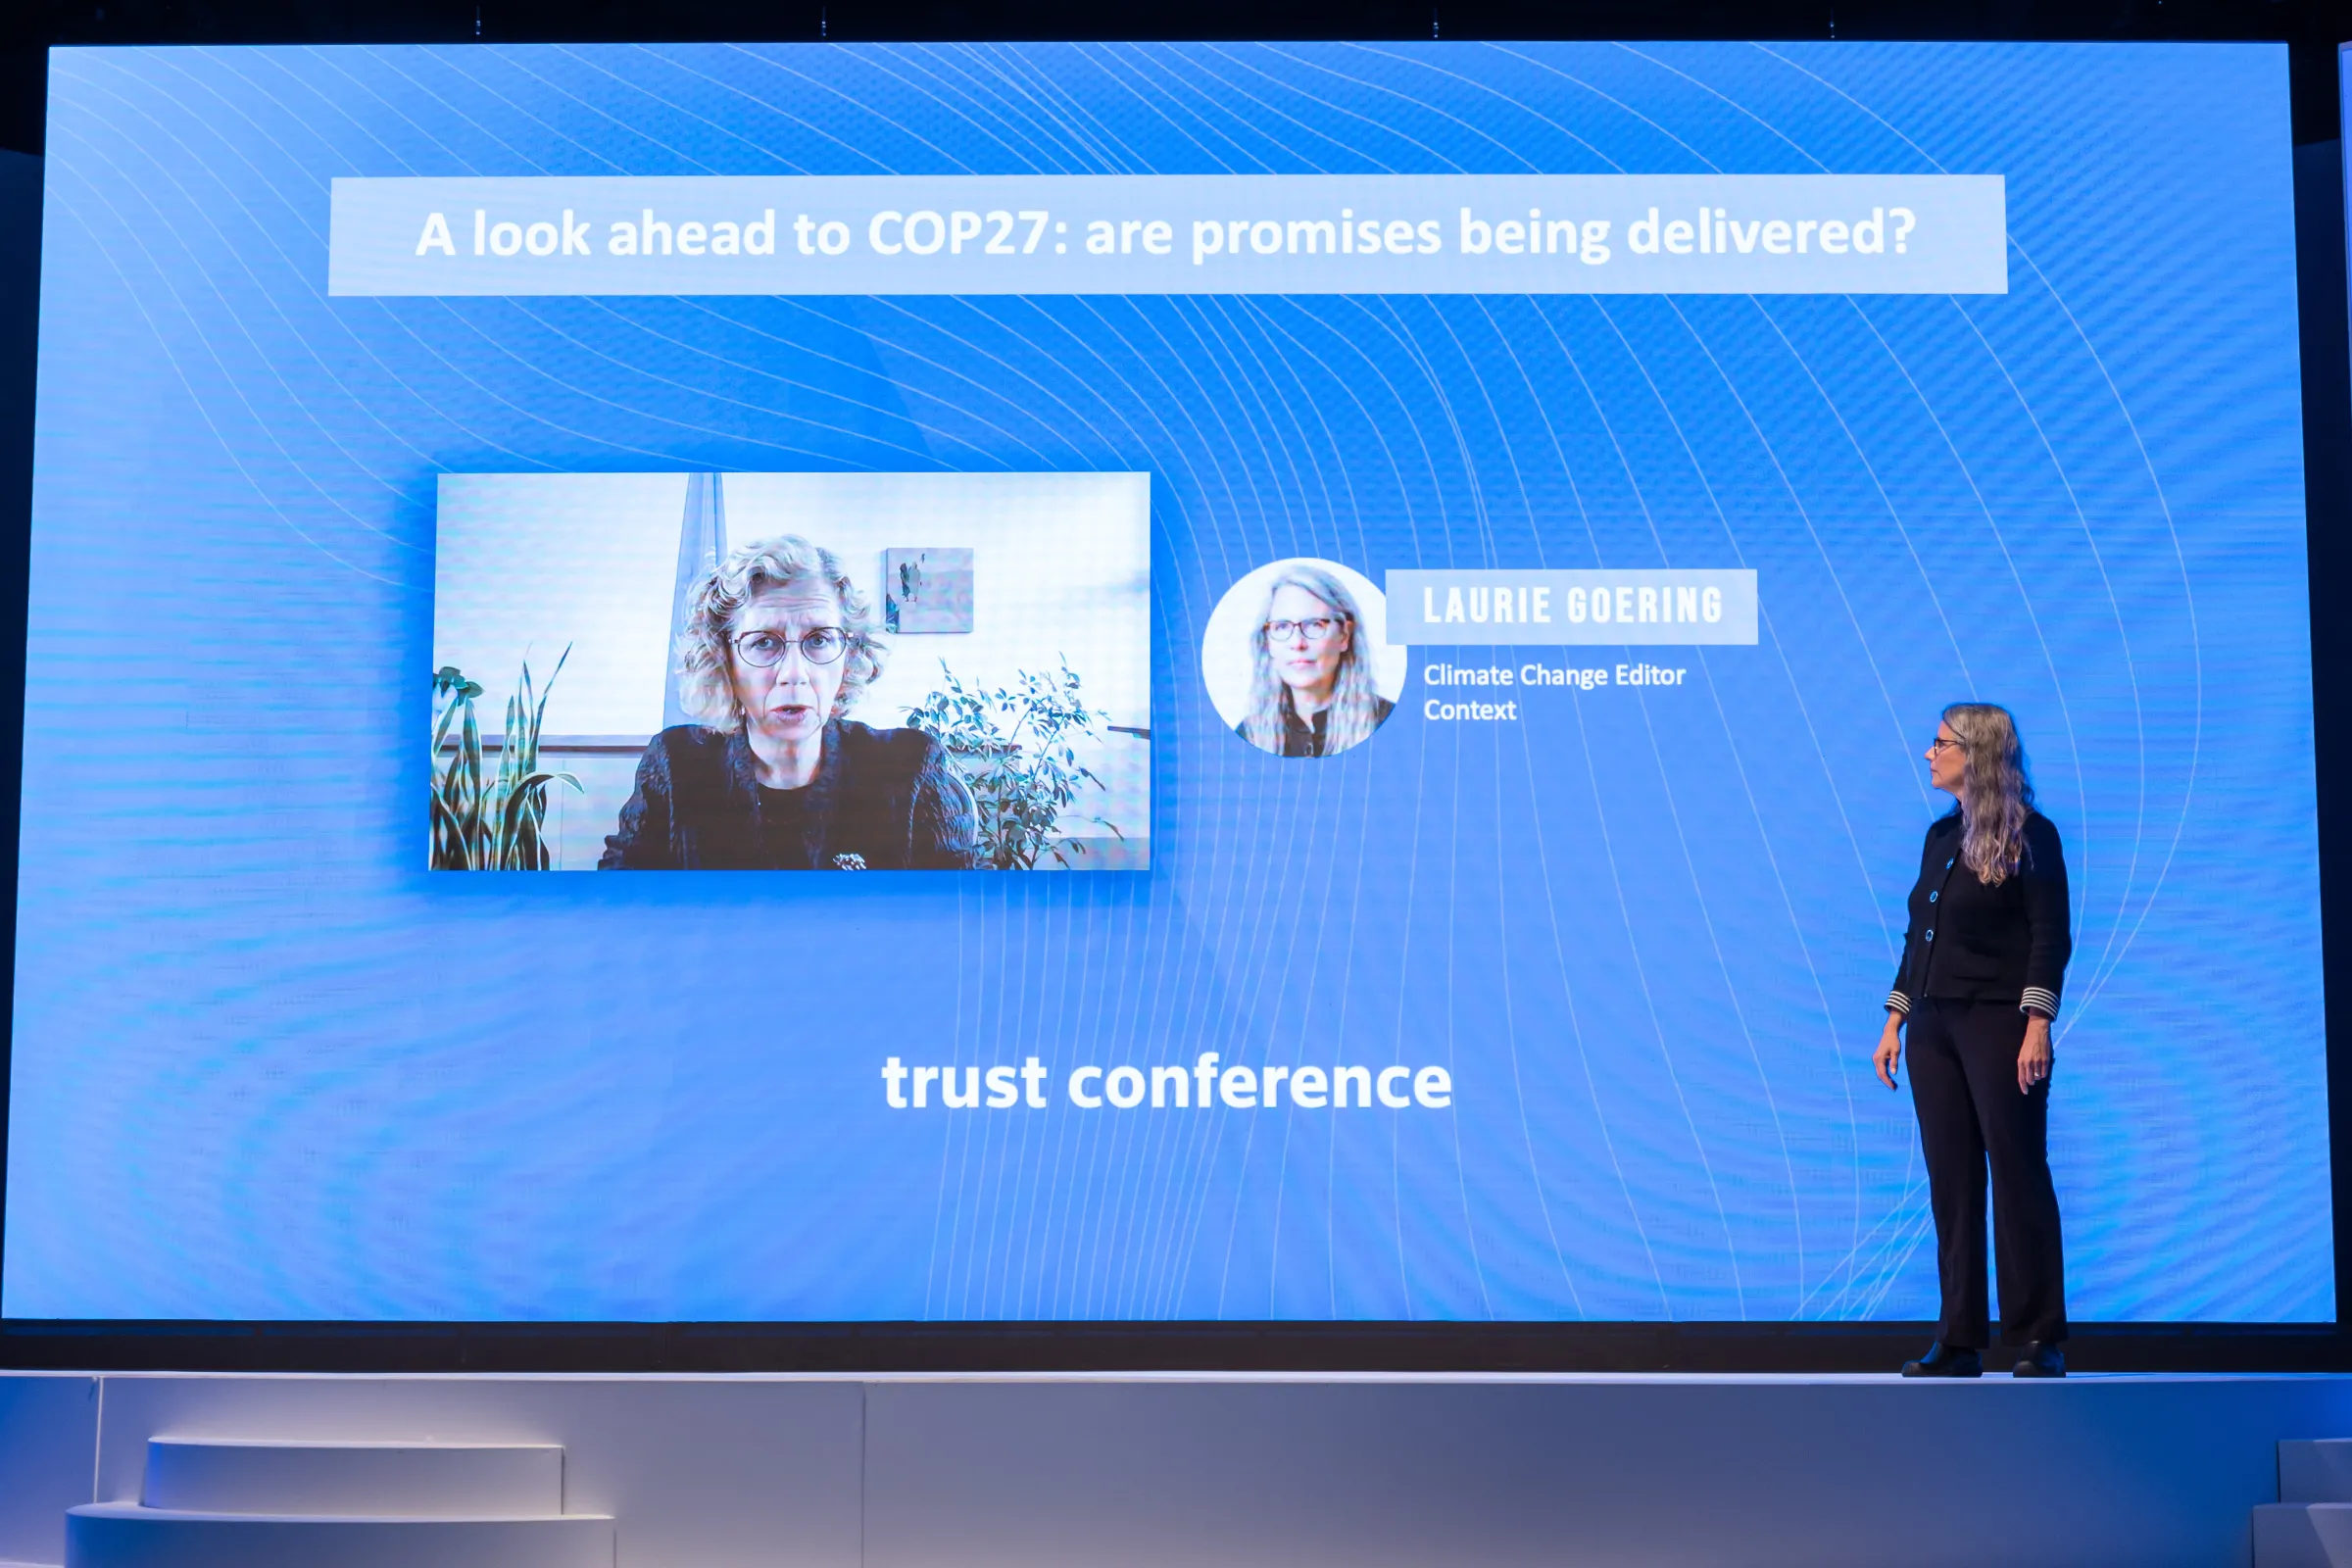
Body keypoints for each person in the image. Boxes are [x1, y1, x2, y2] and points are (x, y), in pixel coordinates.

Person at [1875, 704, 2072, 1378]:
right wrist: (1896, 1018)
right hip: (1934, 1027)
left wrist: (2037, 1023)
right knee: (1951, 1182)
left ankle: (2039, 1335)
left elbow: (2050, 938)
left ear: (1978, 754)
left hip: (2000, 1025)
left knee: (2017, 1171)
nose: (1929, 754)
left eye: (1941, 744)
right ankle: (1959, 1338)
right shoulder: (1939, 838)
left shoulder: (2033, 837)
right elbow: (1919, 937)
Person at [600, 535, 980, 870]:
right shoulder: (675, 763)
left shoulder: (909, 767)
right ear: (724, 660)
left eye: (819, 640)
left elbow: (961, 924)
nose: (794, 673)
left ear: (849, 653)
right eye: (764, 642)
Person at [1234, 564, 1395, 759]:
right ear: (1268, 642)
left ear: (1344, 635)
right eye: (1282, 627)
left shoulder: (1391, 724)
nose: (1297, 643)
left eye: (1314, 625)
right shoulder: (1248, 734)